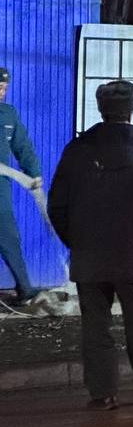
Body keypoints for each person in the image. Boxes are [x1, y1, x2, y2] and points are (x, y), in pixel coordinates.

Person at [48, 79, 133, 410]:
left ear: (101, 109)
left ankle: (103, 394)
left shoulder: (78, 148)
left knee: (95, 327)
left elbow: (57, 205)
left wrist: (75, 241)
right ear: (131, 109)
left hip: (89, 256)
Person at [0, 66, 42, 305]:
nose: (2, 91)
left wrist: (34, 173)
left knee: (8, 236)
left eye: (4, 87)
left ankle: (25, 289)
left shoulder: (8, 114)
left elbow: (22, 146)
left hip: (0, 188)